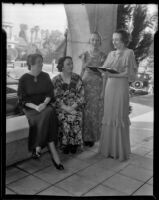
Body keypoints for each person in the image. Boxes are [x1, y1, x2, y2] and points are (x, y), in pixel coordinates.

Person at [17, 53, 64, 170]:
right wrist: (36, 107)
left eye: (42, 62)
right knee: (49, 115)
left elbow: (50, 93)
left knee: (49, 112)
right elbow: (22, 99)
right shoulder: (23, 79)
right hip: (30, 108)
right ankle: (53, 154)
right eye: (39, 62)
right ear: (31, 64)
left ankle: (37, 147)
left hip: (44, 106)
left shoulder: (45, 76)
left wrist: (44, 103)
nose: (41, 64)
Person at [99, 29, 137, 161]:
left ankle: (119, 151)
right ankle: (108, 149)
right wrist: (103, 89)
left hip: (121, 88)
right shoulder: (111, 54)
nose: (113, 42)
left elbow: (128, 74)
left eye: (116, 39)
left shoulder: (129, 53)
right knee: (109, 115)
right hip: (110, 87)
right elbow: (105, 71)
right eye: (113, 39)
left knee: (118, 115)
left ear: (124, 40)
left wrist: (111, 74)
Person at [52, 56, 85, 154]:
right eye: (68, 64)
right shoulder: (56, 80)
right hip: (61, 107)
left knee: (76, 116)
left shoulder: (77, 78)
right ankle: (65, 144)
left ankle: (74, 144)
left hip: (75, 106)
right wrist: (66, 108)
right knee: (65, 119)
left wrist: (72, 107)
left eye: (72, 63)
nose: (71, 66)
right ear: (62, 66)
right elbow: (55, 98)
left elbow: (82, 96)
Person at [79, 32, 107, 147]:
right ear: (90, 41)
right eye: (93, 40)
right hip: (85, 84)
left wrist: (103, 91)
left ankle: (92, 137)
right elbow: (81, 70)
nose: (95, 42)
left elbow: (105, 73)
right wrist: (78, 84)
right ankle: (83, 137)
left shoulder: (104, 56)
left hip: (97, 86)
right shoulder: (84, 54)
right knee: (85, 111)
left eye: (97, 40)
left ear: (100, 42)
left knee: (94, 112)